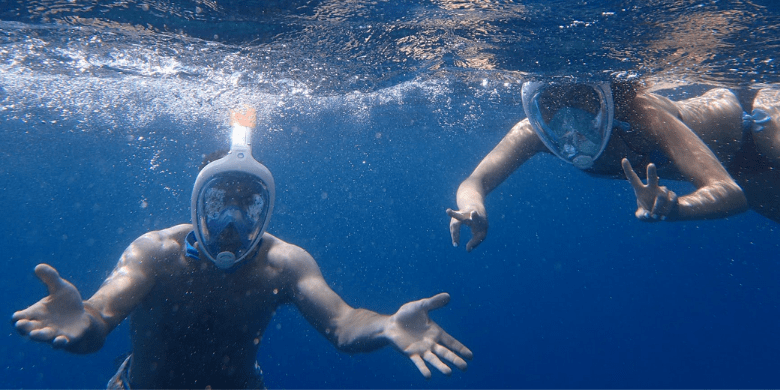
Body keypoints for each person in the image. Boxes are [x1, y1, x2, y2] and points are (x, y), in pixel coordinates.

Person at [12, 108, 473, 389]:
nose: (232, 225)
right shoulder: (155, 254)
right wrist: (83, 323)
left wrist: (388, 325)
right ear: (195, 205)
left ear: (265, 210)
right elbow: (99, 318)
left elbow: (343, 323)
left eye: (247, 206)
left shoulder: (282, 265)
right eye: (218, 205)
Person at [447, 78, 780, 251]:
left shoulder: (644, 116)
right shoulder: (533, 132)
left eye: (578, 96)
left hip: (760, 122)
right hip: (743, 169)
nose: (567, 117)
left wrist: (678, 207)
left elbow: (727, 192)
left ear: (605, 95)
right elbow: (474, 182)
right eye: (550, 103)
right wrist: (473, 209)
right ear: (536, 105)